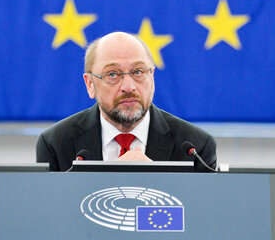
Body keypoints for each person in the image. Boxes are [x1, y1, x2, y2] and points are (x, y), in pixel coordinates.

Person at [36, 32, 216, 171]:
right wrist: (113, 180)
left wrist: (157, 179)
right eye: (113, 74)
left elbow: (201, 215)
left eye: (138, 72)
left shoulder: (195, 146)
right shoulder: (56, 144)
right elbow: (51, 214)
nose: (129, 87)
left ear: (152, 78)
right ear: (90, 84)